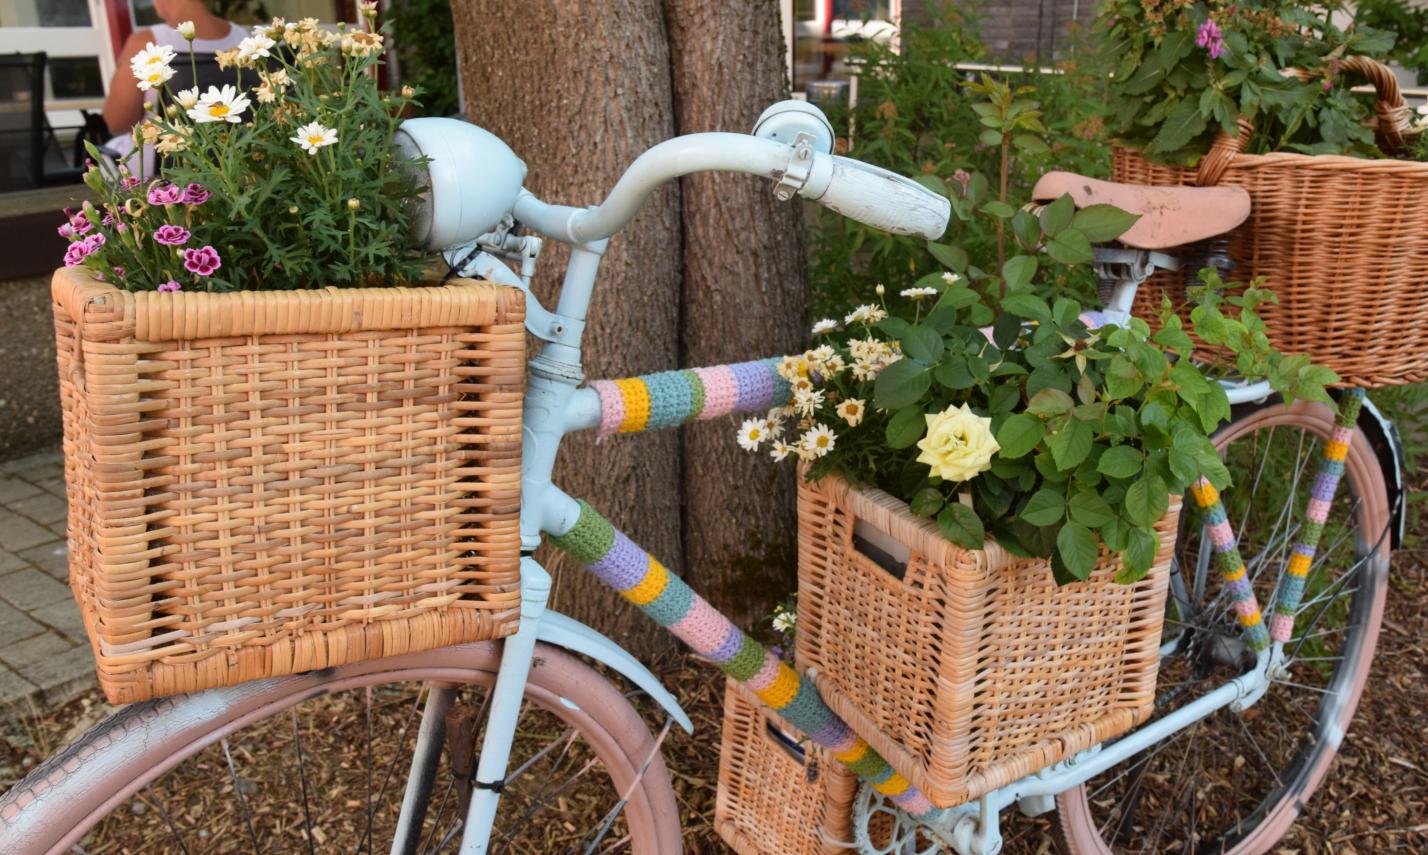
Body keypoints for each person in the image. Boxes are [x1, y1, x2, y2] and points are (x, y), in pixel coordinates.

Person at [100, 0, 247, 174]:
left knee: (101, 160)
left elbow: (117, 123)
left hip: (160, 176)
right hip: (235, 166)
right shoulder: (244, 37)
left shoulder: (146, 42)